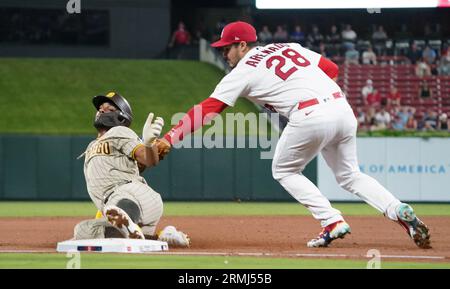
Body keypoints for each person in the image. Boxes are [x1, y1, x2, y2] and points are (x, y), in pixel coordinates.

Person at [156, 21, 431, 249]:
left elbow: (209, 108)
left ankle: (331, 221)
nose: (224, 54)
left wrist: (170, 137)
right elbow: (332, 70)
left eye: (227, 48)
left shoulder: (244, 70)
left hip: (309, 115)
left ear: (243, 45)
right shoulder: (288, 47)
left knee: (284, 171)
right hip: (342, 108)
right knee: (350, 175)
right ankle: (397, 209)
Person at [73, 92, 190, 248]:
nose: (101, 110)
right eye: (100, 108)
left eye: (108, 108)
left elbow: (149, 159)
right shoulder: (91, 146)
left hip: (130, 195)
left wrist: (148, 144)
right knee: (83, 231)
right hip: (120, 203)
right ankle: (163, 237)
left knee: (117, 207)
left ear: (121, 117)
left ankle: (124, 218)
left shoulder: (119, 131)